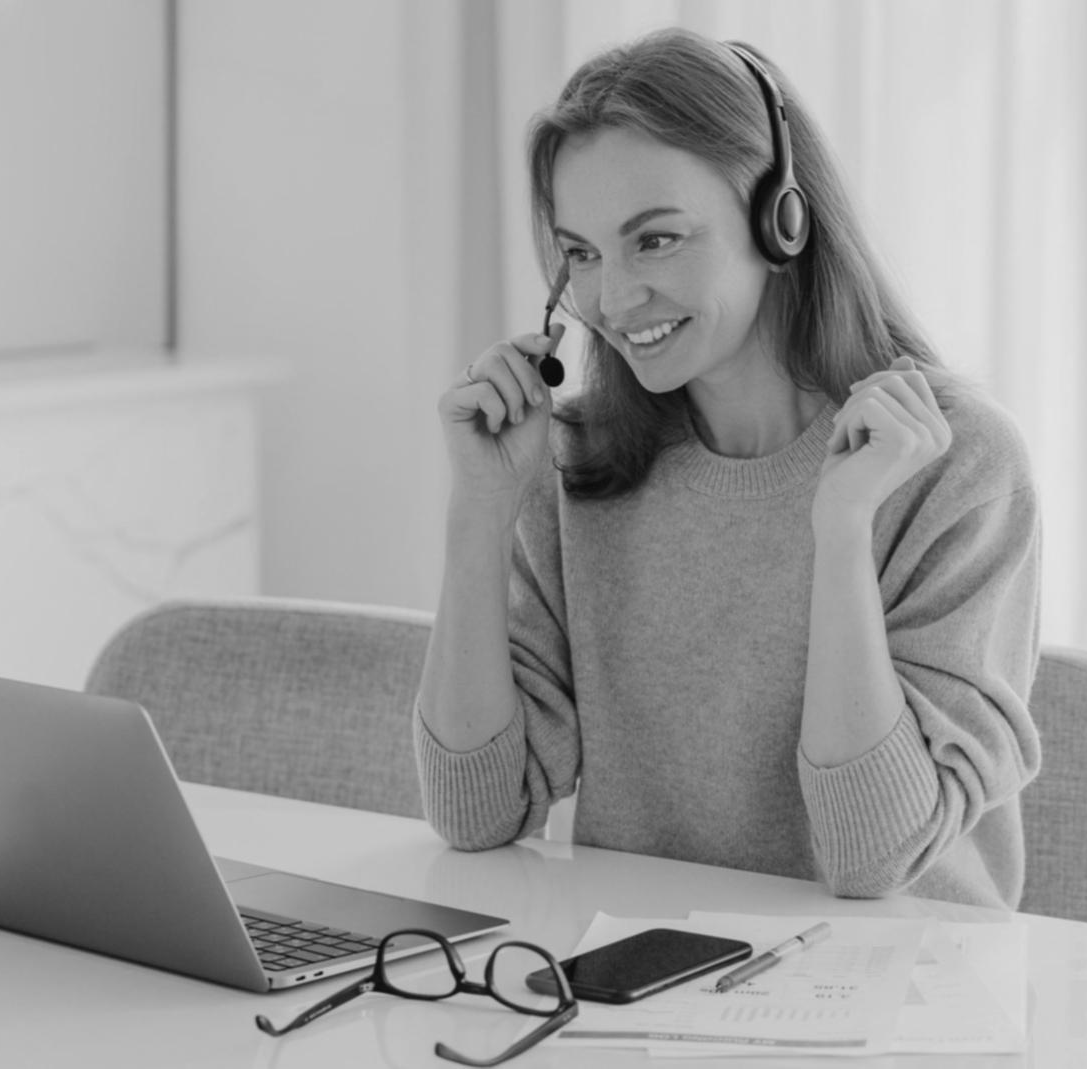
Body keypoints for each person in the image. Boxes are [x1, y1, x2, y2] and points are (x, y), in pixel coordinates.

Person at [414, 27, 1042, 910]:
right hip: (645, 1000)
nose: (612, 300)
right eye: (582, 254)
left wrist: (841, 529)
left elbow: (871, 856)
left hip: (898, 1012)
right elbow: (477, 811)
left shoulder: (956, 464)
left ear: (780, 219)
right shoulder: (579, 462)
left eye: (657, 240)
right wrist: (478, 515)